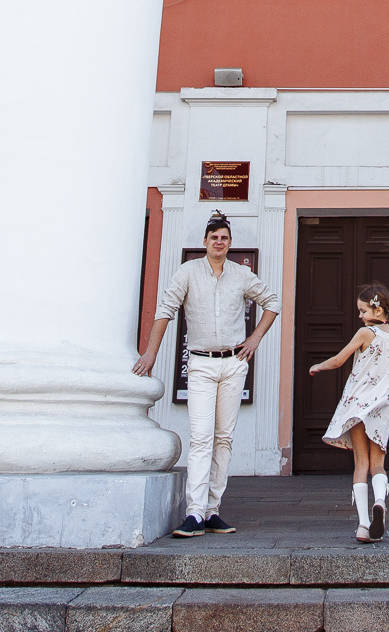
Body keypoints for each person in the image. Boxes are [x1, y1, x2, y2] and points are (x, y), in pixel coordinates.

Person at [135, 213, 279, 537]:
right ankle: (194, 513)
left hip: (233, 364)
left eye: (224, 238)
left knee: (224, 438)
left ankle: (213, 509)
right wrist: (150, 354)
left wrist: (254, 338)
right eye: (214, 237)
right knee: (201, 437)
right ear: (205, 242)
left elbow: (272, 302)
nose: (219, 242)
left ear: (229, 243)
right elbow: (165, 311)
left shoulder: (241, 275)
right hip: (200, 364)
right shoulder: (187, 273)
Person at [308, 283, 389, 543]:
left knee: (360, 464)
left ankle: (363, 525)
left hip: (358, 405)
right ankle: (380, 502)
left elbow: (339, 359)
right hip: (381, 406)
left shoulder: (365, 333)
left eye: (362, 310)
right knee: (378, 464)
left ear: (376, 309)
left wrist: (318, 367)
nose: (359, 315)